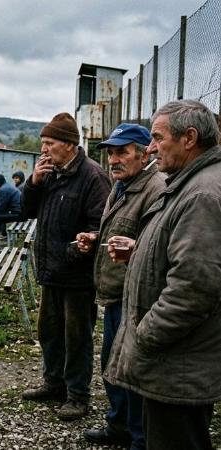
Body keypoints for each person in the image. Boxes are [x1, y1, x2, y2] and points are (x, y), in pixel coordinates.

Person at [103, 100, 221, 450]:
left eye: (157, 137)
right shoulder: (188, 183)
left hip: (177, 364)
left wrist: (144, 336)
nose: (151, 148)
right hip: (176, 361)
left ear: (189, 138)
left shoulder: (201, 194)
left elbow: (194, 287)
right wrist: (140, 251)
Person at [74, 124, 165, 449]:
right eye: (111, 153)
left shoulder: (156, 189)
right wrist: (96, 237)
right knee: (113, 366)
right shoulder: (121, 186)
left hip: (137, 299)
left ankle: (138, 438)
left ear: (144, 154)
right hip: (116, 294)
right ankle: (119, 425)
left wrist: (133, 248)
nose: (113, 159)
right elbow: (122, 231)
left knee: (132, 372)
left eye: (122, 152)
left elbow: (160, 245)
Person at [20, 112, 110, 421]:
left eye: (49, 143)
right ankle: (53, 384)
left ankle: (78, 396)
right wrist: (33, 183)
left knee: (77, 338)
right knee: (49, 333)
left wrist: (79, 247)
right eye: (42, 143)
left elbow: (101, 226)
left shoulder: (93, 177)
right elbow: (26, 210)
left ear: (70, 144)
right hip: (51, 272)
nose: (43, 149)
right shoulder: (50, 174)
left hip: (77, 276)